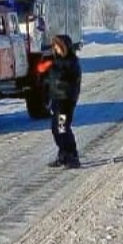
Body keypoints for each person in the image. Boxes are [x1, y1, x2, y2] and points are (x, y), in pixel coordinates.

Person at [36, 35, 82, 169]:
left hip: (66, 101)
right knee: (55, 129)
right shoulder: (56, 61)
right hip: (56, 100)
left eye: (57, 46)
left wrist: (51, 66)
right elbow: (47, 74)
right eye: (54, 46)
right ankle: (63, 154)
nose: (55, 49)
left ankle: (73, 156)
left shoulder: (71, 62)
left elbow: (64, 72)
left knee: (63, 128)